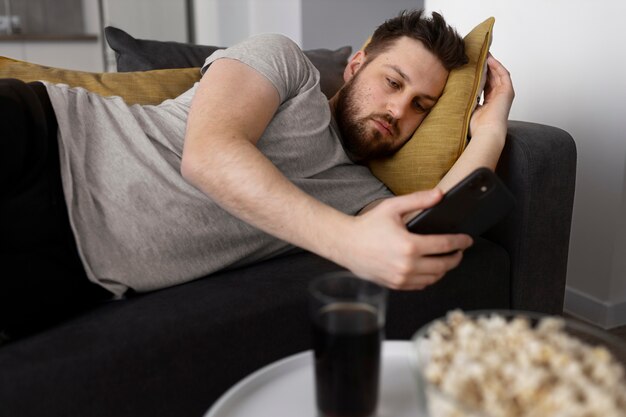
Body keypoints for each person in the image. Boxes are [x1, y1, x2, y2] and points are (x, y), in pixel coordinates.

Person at [0, 9, 514, 341]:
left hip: (76, 271)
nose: (398, 109)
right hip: (46, 139)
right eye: (392, 82)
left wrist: (491, 128)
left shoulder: (364, 198)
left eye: (420, 105)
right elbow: (208, 152)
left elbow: (436, 223)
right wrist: (349, 242)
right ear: (356, 66)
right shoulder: (285, 62)